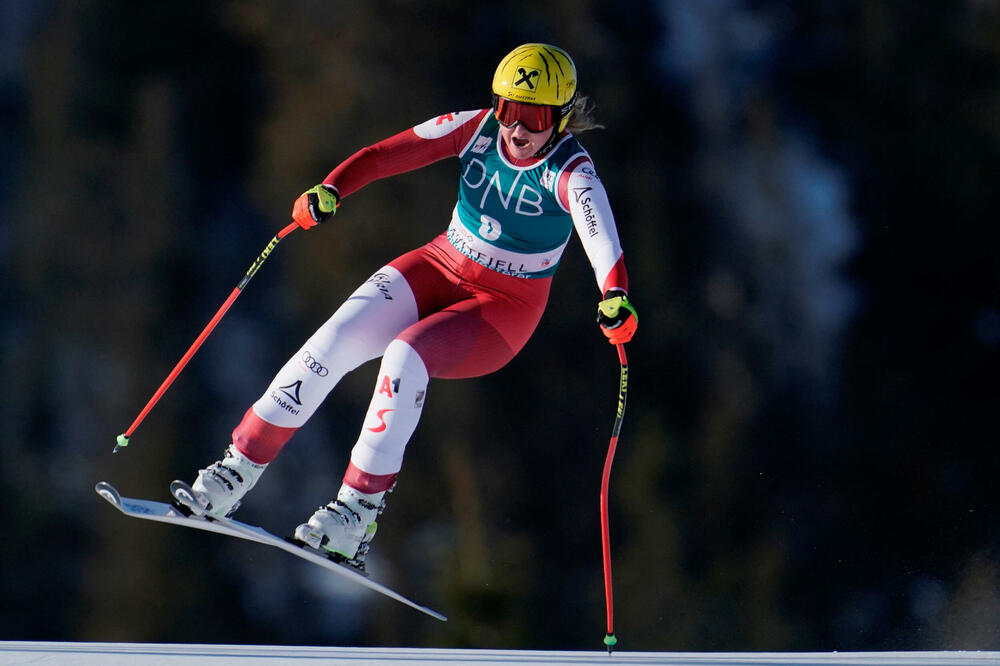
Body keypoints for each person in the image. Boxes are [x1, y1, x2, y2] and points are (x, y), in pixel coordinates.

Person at [178, 43, 638, 570]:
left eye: (533, 118)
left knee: (405, 356)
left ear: (559, 119)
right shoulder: (478, 129)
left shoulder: (570, 169)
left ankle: (357, 512)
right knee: (332, 340)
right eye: (509, 111)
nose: (518, 130)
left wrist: (615, 297)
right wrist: (331, 188)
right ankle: (237, 468)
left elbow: (601, 237)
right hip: (440, 263)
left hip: (503, 308)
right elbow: (385, 154)